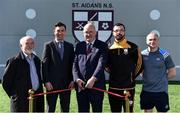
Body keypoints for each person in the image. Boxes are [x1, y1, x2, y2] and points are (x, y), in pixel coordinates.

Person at [106, 23, 143, 112]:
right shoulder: (108, 48)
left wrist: (131, 77)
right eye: (116, 31)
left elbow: (140, 65)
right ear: (113, 33)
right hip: (113, 88)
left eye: (121, 30)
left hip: (128, 88)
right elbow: (105, 66)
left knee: (128, 111)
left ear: (124, 32)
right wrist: (114, 74)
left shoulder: (133, 47)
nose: (119, 32)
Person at [2, 36, 44, 112]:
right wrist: (15, 95)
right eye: (27, 43)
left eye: (32, 43)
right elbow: (6, 82)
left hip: (36, 98)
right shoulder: (14, 61)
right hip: (20, 101)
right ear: (21, 46)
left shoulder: (37, 60)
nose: (30, 45)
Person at [72, 22, 108, 112]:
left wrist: (93, 79)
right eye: (86, 32)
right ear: (83, 33)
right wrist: (77, 79)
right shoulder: (79, 46)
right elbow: (74, 64)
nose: (88, 34)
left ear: (95, 32)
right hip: (81, 87)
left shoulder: (102, 46)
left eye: (91, 32)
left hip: (96, 86)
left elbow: (101, 64)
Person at [41, 21, 74, 112]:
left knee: (65, 108)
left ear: (65, 32)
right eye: (58, 30)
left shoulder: (70, 46)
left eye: (62, 30)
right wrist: (46, 81)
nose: (60, 33)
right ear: (54, 31)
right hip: (51, 84)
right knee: (50, 108)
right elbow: (44, 65)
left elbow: (72, 64)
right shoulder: (48, 46)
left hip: (66, 84)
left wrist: (72, 80)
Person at [140, 32, 176, 113]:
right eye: (150, 40)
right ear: (146, 41)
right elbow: (140, 70)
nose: (152, 41)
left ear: (158, 41)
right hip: (146, 91)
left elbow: (173, 72)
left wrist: (161, 79)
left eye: (155, 39)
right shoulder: (142, 54)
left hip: (161, 92)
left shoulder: (165, 54)